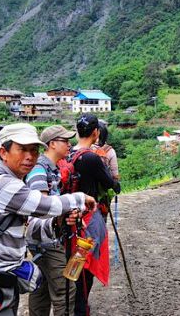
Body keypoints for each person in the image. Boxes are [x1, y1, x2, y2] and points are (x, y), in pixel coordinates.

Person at [0, 123, 95, 316]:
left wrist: (57, 223)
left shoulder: (14, 181)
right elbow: (46, 206)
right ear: (3, 152)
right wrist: (81, 198)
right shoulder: (4, 184)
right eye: (22, 149)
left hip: (2, 282)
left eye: (33, 150)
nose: (30, 156)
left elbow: (28, 229)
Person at [25, 125, 78, 316]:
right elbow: (42, 207)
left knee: (41, 286)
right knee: (65, 289)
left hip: (44, 238)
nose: (69, 144)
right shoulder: (39, 170)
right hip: (44, 238)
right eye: (65, 141)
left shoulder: (52, 169)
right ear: (52, 144)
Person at [71, 113, 120, 316]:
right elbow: (112, 184)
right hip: (88, 219)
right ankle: (80, 307)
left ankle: (73, 303)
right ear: (96, 133)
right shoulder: (91, 157)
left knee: (74, 260)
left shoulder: (68, 153)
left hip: (69, 217)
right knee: (86, 264)